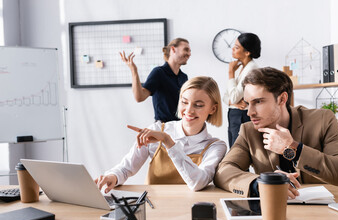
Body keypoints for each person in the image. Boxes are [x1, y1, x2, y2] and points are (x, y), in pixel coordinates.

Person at [214, 67, 338, 199]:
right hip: (275, 211)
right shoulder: (249, 130)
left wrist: (293, 148)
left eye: (258, 102)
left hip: (327, 213)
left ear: (282, 99)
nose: (250, 112)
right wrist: (260, 184)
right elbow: (224, 171)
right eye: (247, 103)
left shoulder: (322, 120)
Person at [95, 76, 227, 192]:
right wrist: (112, 176)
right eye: (184, 102)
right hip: (153, 208)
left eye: (198, 105)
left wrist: (168, 141)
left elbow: (198, 182)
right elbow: (126, 168)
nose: (189, 110)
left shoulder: (215, 146)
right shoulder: (157, 129)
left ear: (213, 109)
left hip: (192, 211)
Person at [120, 38, 191, 122]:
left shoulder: (183, 77)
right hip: (163, 128)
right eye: (186, 50)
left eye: (190, 51)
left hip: (180, 127)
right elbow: (139, 97)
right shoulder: (159, 73)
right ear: (173, 49)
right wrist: (134, 71)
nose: (189, 54)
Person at [223, 33, 261, 148]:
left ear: (247, 52)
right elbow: (225, 96)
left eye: (237, 47)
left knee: (238, 153)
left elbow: (233, 96)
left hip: (241, 115)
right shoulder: (242, 67)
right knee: (234, 152)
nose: (232, 49)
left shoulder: (251, 69)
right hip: (234, 114)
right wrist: (232, 102)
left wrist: (230, 73)